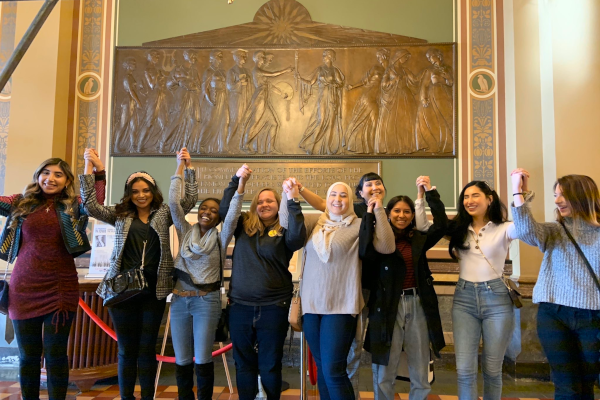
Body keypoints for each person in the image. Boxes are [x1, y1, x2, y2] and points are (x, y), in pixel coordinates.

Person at [285, 172, 431, 400]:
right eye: (333, 194)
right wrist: (291, 197)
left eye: (343, 195)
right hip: (312, 306)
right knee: (323, 368)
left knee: (334, 370)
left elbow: (386, 246)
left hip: (342, 306)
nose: (337, 199)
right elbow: (290, 229)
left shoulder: (359, 224)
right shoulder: (316, 222)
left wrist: (380, 209)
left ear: (351, 200)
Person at [80, 148, 197, 400]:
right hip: (122, 290)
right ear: (128, 194)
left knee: (146, 350)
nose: (140, 195)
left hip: (153, 290)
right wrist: (95, 169)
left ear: (153, 192)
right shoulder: (120, 214)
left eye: (145, 190)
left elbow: (187, 201)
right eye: (135, 191)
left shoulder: (164, 213)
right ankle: (126, 397)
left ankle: (146, 397)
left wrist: (185, 167)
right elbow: (90, 206)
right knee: (126, 350)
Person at [0, 156, 105, 400]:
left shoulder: (73, 205)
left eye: (58, 174)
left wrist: (98, 172)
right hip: (23, 287)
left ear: (67, 180)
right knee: (28, 355)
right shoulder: (20, 202)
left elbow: (95, 203)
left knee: (56, 353)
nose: (51, 178)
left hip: (60, 287)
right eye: (46, 172)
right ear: (38, 176)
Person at [218, 165, 306, 400]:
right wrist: (237, 181)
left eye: (270, 201)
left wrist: (293, 200)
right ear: (254, 205)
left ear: (279, 205)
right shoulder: (243, 225)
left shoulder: (285, 230)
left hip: (274, 307)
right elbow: (225, 211)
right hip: (240, 307)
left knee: (269, 365)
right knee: (243, 364)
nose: (265, 204)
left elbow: (298, 238)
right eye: (260, 201)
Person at [511, 170, 600, 400]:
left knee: (588, 382)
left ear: (582, 196)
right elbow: (526, 231)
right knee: (566, 385)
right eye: (555, 195)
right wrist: (518, 194)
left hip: (593, 317)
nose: (557, 200)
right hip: (554, 315)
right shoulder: (555, 230)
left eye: (563, 195)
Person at [169, 161, 248, 399]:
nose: (208, 212)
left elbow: (233, 213)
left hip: (207, 302)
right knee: (182, 359)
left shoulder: (221, 237)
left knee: (202, 358)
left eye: (214, 210)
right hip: (179, 302)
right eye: (204, 207)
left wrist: (241, 184)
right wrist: (180, 169)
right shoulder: (184, 231)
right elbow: (174, 204)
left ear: (217, 217)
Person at [364, 177, 447, 400]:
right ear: (388, 213)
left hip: (417, 303)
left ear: (412, 215)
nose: (402, 215)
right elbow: (364, 252)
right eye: (397, 211)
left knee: (420, 365)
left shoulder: (418, 239)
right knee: (385, 367)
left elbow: (441, 225)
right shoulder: (378, 240)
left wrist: (428, 194)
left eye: (407, 211)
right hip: (387, 306)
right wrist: (371, 212)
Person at [447, 180, 516, 400]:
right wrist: (422, 197)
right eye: (466, 197)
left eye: (475, 195)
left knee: (492, 369)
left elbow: (526, 229)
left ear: (489, 199)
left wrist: (519, 192)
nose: (469, 201)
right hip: (464, 299)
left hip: (497, 299)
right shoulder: (459, 229)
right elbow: (425, 225)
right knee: (465, 370)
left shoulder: (505, 228)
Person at [297, 49, 345, 155]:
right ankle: (311, 145)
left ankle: (327, 147)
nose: (323, 57)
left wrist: (331, 83)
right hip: (323, 98)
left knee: (331, 123)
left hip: (332, 99)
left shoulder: (335, 71)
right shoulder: (319, 69)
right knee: (321, 121)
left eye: (326, 55)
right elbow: (311, 82)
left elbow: (340, 83)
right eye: (323, 55)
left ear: (331, 57)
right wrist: (300, 79)